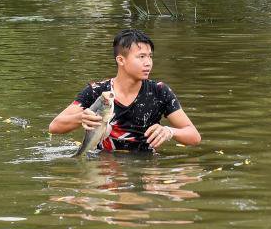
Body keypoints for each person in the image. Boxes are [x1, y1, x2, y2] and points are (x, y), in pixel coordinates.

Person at [49, 29, 201, 153]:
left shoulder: (160, 92)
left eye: (150, 57)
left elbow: (194, 136)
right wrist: (81, 118)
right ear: (121, 60)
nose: (148, 63)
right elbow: (54, 127)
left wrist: (169, 131)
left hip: (146, 170)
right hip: (104, 166)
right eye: (141, 57)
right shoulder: (97, 92)